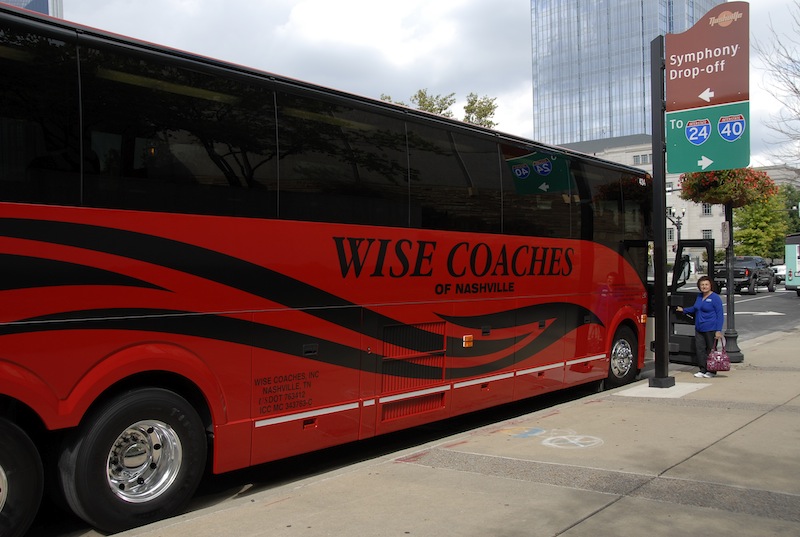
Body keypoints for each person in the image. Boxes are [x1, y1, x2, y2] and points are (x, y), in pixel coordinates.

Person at [676, 275, 724, 378]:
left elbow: (720, 315)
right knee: (699, 349)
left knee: (710, 350)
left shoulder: (715, 298)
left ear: (711, 285)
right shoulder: (699, 296)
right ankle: (703, 369)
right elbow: (695, 308)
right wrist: (683, 310)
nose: (704, 287)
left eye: (706, 284)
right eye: (702, 285)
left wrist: (718, 330)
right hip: (699, 328)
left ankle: (712, 371)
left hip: (711, 328)